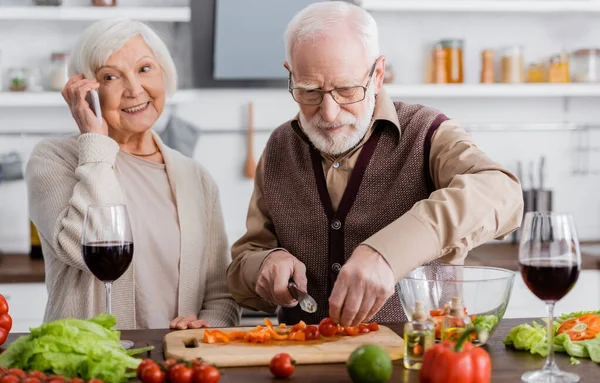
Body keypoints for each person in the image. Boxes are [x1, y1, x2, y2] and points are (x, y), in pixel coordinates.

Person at [227, 2, 523, 327]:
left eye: (347, 89)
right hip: (300, 362)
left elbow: (502, 192)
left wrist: (388, 252)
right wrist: (264, 263)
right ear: (291, 75)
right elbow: (244, 264)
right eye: (309, 91)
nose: (329, 113)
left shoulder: (427, 132)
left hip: (418, 360)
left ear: (378, 74)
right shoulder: (278, 148)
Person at [26, 17, 240, 330]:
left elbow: (220, 292)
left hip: (170, 369)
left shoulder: (196, 178)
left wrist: (207, 327)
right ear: (86, 92)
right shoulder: (54, 160)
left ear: (164, 73)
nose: (135, 89)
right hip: (84, 368)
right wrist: (96, 143)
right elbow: (81, 250)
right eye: (111, 77)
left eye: (144, 68)